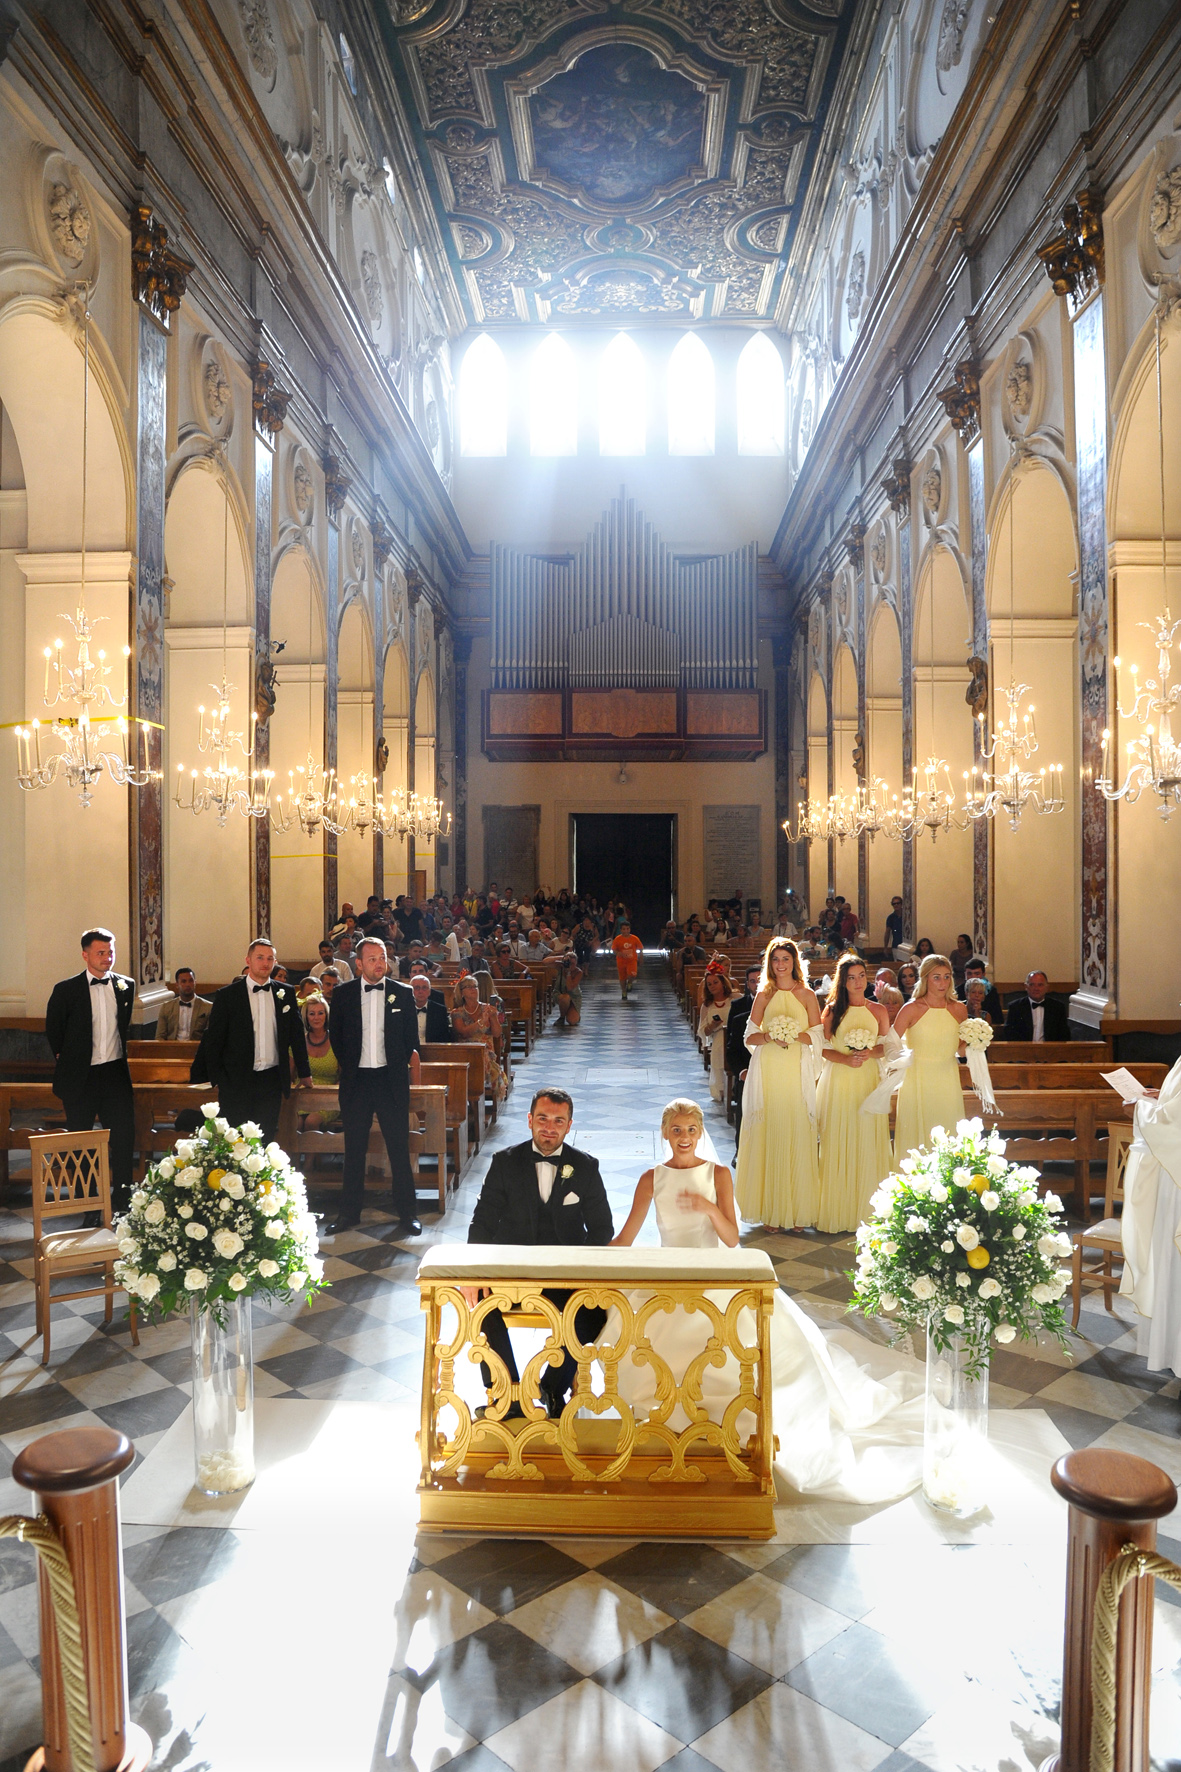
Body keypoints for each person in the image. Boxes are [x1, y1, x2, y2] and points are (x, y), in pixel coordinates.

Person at [609, 1099, 924, 1501]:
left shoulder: (718, 1174)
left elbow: (731, 1238)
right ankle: (670, 1415)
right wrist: (590, 1258)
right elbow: (627, 1235)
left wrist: (706, 1206)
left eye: (691, 1129)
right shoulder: (651, 1179)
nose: (684, 1137)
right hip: (671, 1274)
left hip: (712, 1272)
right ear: (665, 1133)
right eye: (676, 1130)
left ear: (699, 1133)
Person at [466, 1088, 613, 1419]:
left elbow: (603, 1228)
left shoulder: (585, 1167)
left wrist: (580, 1270)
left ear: (569, 1126)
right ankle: (508, 1396)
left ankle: (552, 1384)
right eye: (543, 1119)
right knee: (482, 1306)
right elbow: (483, 1222)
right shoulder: (505, 1162)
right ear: (530, 1120)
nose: (550, 1128)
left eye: (558, 1121)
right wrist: (473, 1274)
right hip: (512, 1273)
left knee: (592, 1313)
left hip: (564, 1278)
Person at [327, 936, 421, 1236]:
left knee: (398, 1148)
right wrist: (354, 1066)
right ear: (358, 963)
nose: (379, 963)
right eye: (372, 959)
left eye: (382, 957)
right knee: (354, 1150)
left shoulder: (402, 994)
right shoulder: (342, 995)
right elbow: (337, 1039)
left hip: (390, 1081)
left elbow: (411, 1042)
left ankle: (408, 1215)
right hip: (357, 1082)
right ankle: (348, 1214)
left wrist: (394, 1066)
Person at [45, 927, 137, 1212]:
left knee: (123, 1140)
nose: (107, 958)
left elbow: (122, 1028)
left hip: (114, 1075)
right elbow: (54, 1031)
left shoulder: (126, 986)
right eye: (101, 952)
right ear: (85, 955)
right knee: (82, 1144)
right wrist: (71, 1060)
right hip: (80, 1078)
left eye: (111, 952)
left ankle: (122, 1202)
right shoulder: (65, 990)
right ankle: (89, 1204)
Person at [734, 937, 822, 1230]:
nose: (781, 965)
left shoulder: (807, 995)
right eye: (776, 960)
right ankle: (771, 1210)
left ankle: (798, 1211)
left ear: (795, 962)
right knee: (771, 1130)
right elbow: (749, 1036)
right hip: (769, 1067)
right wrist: (771, 1035)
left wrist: (794, 1034)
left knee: (796, 1130)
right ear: (769, 964)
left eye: (785, 959)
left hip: (795, 1068)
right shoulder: (764, 996)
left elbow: (818, 1036)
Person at [203, 939, 312, 1142]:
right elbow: (213, 1040)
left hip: (271, 1080)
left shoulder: (286, 993)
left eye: (270, 958)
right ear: (248, 960)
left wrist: (304, 1073)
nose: (265, 963)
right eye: (260, 958)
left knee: (266, 1137)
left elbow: (296, 1034)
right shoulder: (228, 995)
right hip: (236, 1080)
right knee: (235, 1140)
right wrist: (218, 1078)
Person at [817, 953, 892, 1233]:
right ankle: (838, 1209)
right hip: (840, 1080)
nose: (858, 981)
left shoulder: (878, 1010)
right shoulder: (833, 1011)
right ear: (843, 981)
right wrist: (846, 1058)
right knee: (839, 1137)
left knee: (867, 1138)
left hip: (868, 1080)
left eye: (862, 976)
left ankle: (867, 1209)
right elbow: (821, 1049)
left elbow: (887, 1046)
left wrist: (871, 1052)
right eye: (852, 977)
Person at [1119, 1044, 1181, 1373]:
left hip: (1177, 1179)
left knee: (1174, 1266)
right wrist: (1161, 1097)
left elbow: (1173, 1126)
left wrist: (1141, 1107)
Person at [893, 953, 968, 1156]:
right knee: (918, 1137)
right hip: (917, 1078)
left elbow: (962, 1049)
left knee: (948, 1129)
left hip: (947, 1077)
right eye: (936, 977)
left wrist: (977, 1042)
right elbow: (890, 1044)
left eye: (947, 976)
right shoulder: (911, 1008)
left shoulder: (959, 1009)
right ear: (925, 978)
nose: (943, 982)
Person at [725, 963, 763, 1153]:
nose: (756, 985)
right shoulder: (740, 1012)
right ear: (747, 984)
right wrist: (741, 1071)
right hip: (747, 1071)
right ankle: (741, 1153)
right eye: (752, 981)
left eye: (760, 980)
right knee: (745, 1115)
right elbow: (732, 1046)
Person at [452, 974, 507, 1102]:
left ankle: (477, 1087)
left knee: (482, 1054)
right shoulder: (457, 1013)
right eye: (469, 987)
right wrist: (481, 1021)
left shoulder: (487, 1008)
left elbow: (497, 1033)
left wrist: (493, 1017)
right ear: (462, 992)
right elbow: (464, 1033)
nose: (473, 989)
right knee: (474, 1056)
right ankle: (475, 1088)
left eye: (475, 987)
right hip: (466, 1050)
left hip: (486, 1049)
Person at [697, 967, 733, 1103]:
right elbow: (702, 1031)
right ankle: (722, 1094)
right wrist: (712, 1026)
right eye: (709, 984)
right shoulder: (707, 1005)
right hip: (718, 1040)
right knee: (719, 1066)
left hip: (734, 1039)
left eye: (715, 982)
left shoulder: (735, 999)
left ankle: (733, 1093)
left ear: (723, 982)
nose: (712, 986)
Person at [1004, 970, 1070, 1042]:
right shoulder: (1015, 1007)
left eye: (1040, 985)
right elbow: (1009, 1035)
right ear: (1026, 986)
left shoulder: (1057, 1008)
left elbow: (1064, 1035)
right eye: (1032, 985)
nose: (1036, 988)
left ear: (1047, 987)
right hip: (1023, 1050)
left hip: (1050, 1050)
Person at [156, 968, 210, 1041]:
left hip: (197, 1049)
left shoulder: (208, 1007)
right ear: (177, 985)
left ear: (195, 983)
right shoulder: (166, 1007)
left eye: (191, 981)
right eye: (183, 981)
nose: (188, 984)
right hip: (172, 1048)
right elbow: (160, 1036)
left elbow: (211, 1036)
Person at [411, 972, 452, 1044]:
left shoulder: (440, 1010)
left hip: (433, 1051)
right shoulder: (404, 1009)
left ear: (429, 991)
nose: (421, 991)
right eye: (417, 988)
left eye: (424, 988)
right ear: (411, 991)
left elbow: (444, 1037)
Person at [963, 958, 1004, 1025]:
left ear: (983, 974)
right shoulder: (958, 990)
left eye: (977, 974)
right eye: (969, 974)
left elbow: (998, 1019)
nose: (973, 977)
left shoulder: (991, 991)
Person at [612, 921, 643, 1000]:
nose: (625, 931)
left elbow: (640, 948)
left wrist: (641, 958)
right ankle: (624, 991)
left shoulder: (634, 938)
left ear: (630, 929)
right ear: (621, 930)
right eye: (623, 929)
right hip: (621, 961)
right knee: (622, 977)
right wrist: (617, 953)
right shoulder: (617, 939)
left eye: (627, 929)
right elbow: (614, 949)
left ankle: (629, 982)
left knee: (632, 974)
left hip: (632, 960)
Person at [554, 951, 583, 1027]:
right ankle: (562, 1017)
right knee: (565, 998)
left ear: (576, 962)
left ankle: (570, 1010)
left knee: (572, 1021)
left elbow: (570, 988)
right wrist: (563, 958)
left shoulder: (578, 972)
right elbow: (545, 961)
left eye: (573, 964)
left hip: (574, 996)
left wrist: (568, 973)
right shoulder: (560, 967)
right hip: (560, 994)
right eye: (569, 963)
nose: (571, 966)